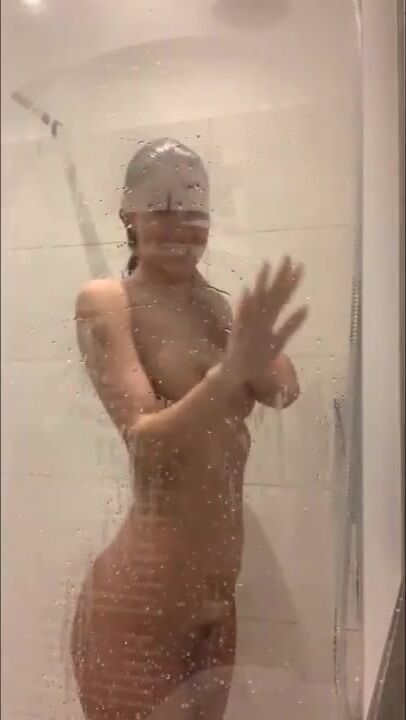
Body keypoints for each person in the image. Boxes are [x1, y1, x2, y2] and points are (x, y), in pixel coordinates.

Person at [70, 138, 307, 720]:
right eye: (160, 207)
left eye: (193, 209)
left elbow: (283, 391)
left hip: (216, 602)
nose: (179, 225)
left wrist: (251, 339)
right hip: (143, 599)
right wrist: (230, 371)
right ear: (128, 215)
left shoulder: (216, 306)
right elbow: (146, 442)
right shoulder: (108, 301)